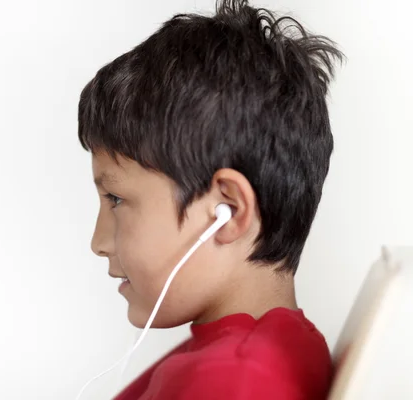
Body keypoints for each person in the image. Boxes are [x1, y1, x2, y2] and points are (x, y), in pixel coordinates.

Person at [77, 0, 343, 398]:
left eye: (115, 198)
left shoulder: (230, 379)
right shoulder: (253, 353)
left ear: (229, 211)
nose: (98, 242)